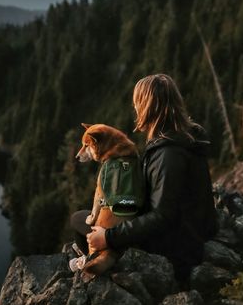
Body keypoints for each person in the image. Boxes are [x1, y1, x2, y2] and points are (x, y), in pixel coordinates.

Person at [82, 73, 218, 283]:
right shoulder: (183, 139)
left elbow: (163, 216)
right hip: (192, 233)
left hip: (176, 248)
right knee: (97, 219)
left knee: (80, 223)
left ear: (147, 107)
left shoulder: (168, 154)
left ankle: (91, 264)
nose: (135, 109)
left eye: (137, 103)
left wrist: (109, 237)